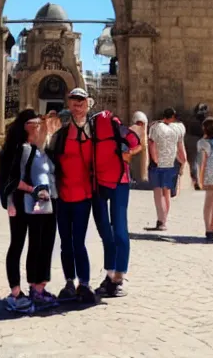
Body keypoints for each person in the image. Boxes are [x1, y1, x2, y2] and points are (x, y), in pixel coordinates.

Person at [51, 88, 96, 304]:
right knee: (65, 243)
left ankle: (84, 283)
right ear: (69, 104)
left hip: (83, 196)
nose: (77, 105)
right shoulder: (60, 135)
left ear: (88, 104)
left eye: (81, 101)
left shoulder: (95, 132)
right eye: (74, 101)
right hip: (63, 195)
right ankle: (69, 281)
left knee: (79, 242)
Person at [92, 111, 142, 298]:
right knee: (119, 229)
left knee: (108, 231)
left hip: (99, 184)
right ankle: (116, 276)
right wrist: (128, 154)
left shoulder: (91, 131)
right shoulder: (122, 130)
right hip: (119, 183)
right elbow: (137, 144)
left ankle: (114, 275)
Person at [12, 117, 59, 310]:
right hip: (35, 204)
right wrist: (33, 190)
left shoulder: (44, 152)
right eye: (40, 127)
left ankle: (42, 286)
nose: (44, 129)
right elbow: (16, 178)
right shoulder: (25, 150)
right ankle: (34, 286)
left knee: (47, 243)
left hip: (51, 203)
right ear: (31, 130)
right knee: (37, 243)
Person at [0, 108, 37, 313]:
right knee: (17, 245)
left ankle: (32, 288)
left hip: (33, 205)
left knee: (33, 245)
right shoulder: (15, 148)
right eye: (35, 123)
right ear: (26, 125)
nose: (38, 126)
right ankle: (15, 291)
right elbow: (9, 179)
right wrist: (11, 201)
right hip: (20, 203)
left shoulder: (33, 146)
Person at [148, 107, 187, 231]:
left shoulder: (155, 127)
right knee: (167, 193)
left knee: (158, 194)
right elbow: (181, 147)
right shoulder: (179, 128)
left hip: (158, 165)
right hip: (171, 164)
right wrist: (183, 162)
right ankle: (164, 220)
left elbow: (151, 144)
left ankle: (160, 221)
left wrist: (155, 160)